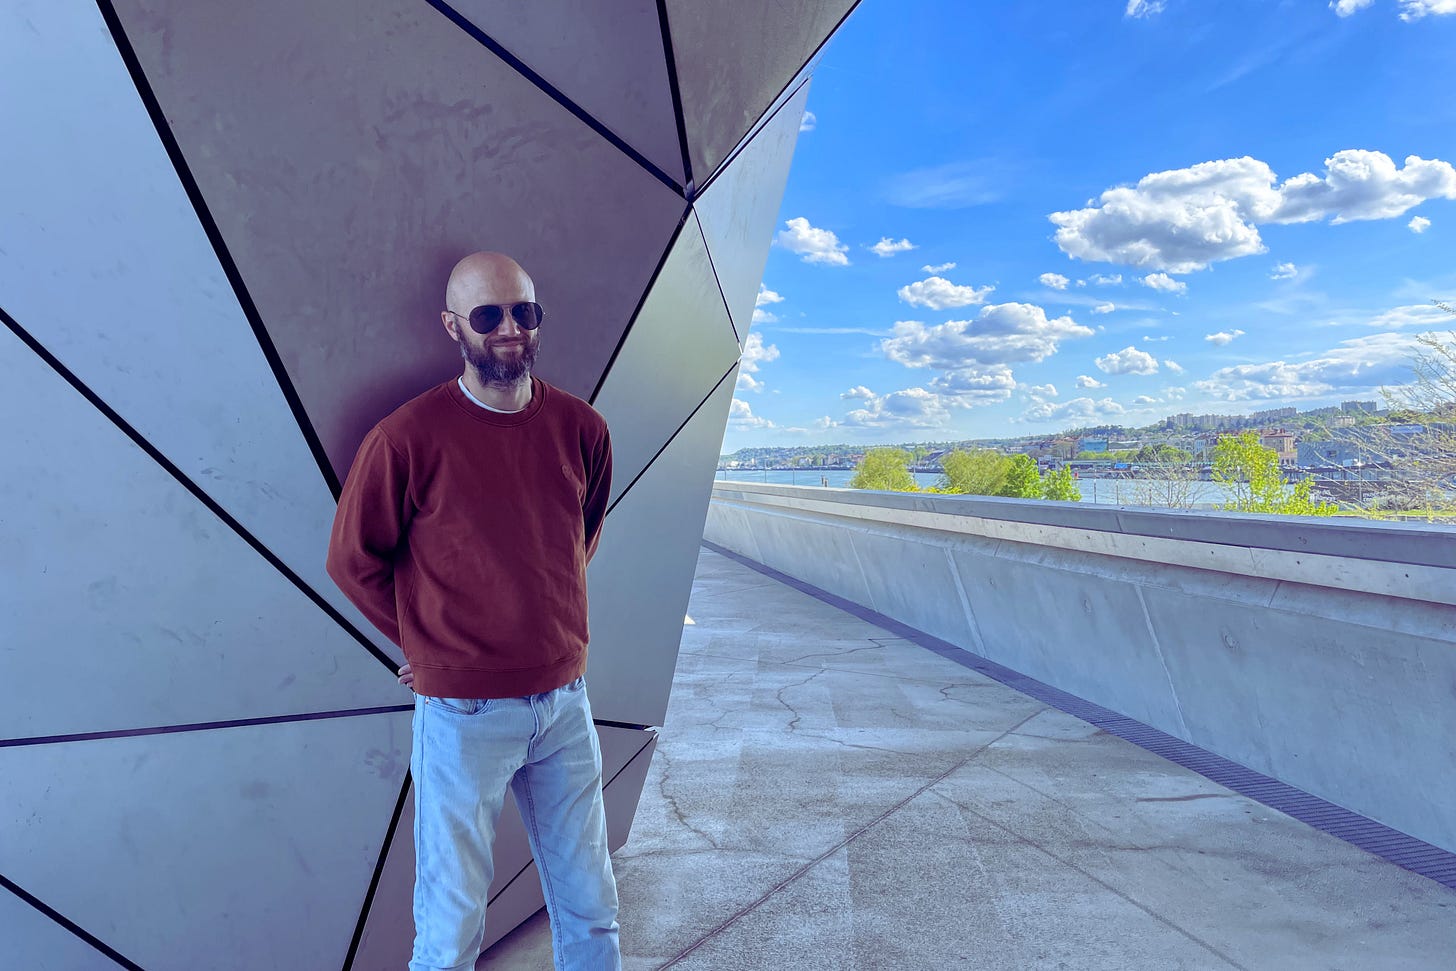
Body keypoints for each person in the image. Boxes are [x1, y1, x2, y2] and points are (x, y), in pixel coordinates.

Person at [326, 252, 620, 971]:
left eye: (524, 311)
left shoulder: (582, 427)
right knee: (451, 927)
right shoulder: (406, 438)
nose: (510, 329)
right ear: (452, 325)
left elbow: (580, 536)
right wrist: (425, 645)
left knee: (592, 909)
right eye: (488, 315)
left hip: (565, 703)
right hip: (464, 716)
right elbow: (351, 560)